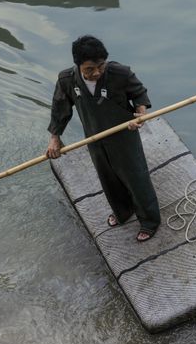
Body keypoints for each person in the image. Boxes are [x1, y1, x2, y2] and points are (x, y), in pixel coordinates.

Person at [46, 35, 161, 242]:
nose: (97, 72)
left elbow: (139, 93)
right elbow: (59, 109)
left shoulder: (120, 73)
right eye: (89, 69)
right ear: (78, 65)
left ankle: (149, 220)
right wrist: (55, 138)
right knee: (108, 177)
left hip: (124, 134)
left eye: (100, 66)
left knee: (136, 177)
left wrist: (141, 113)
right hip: (95, 137)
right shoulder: (67, 81)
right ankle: (122, 212)